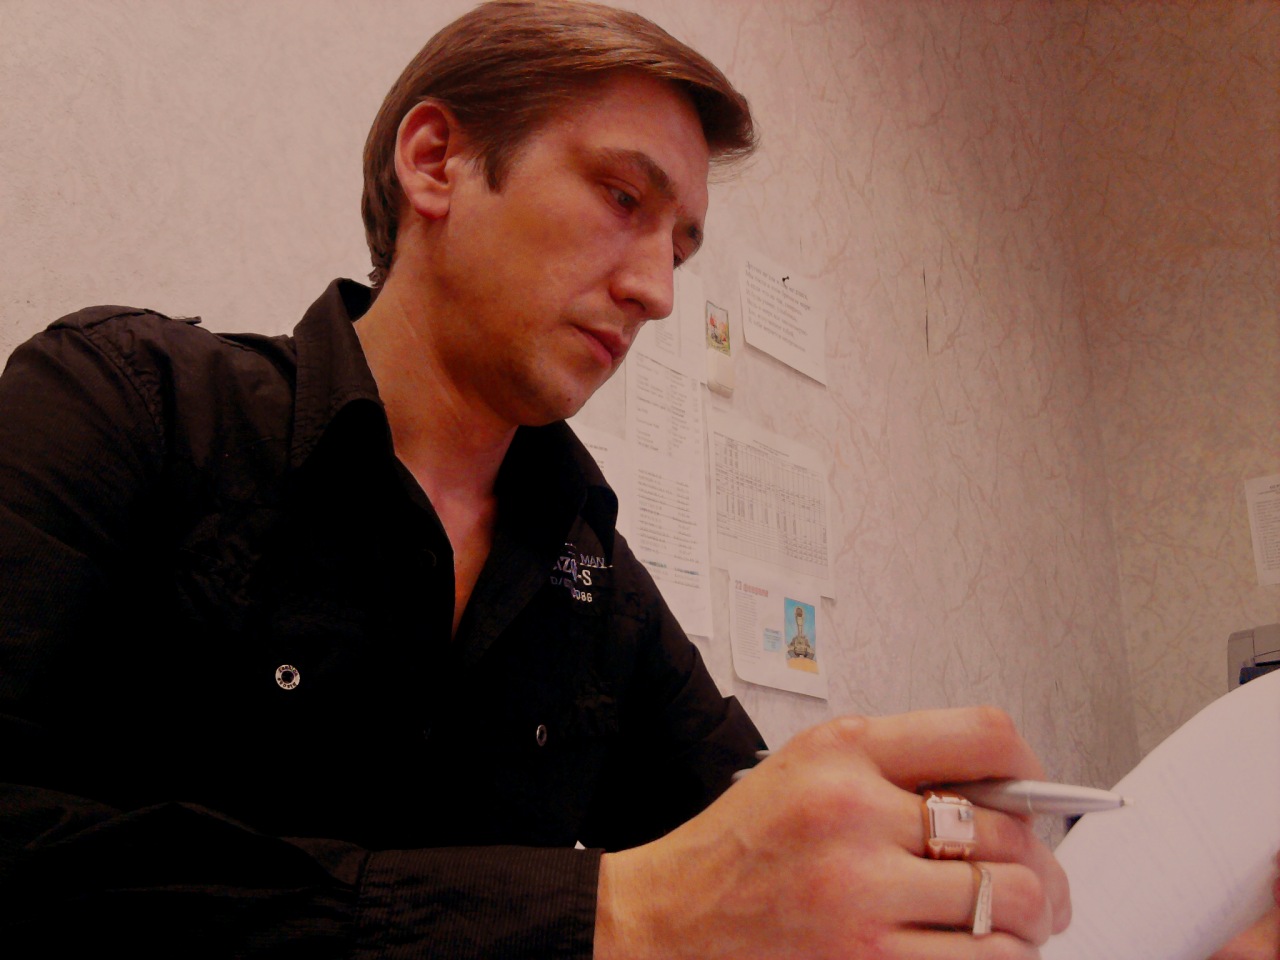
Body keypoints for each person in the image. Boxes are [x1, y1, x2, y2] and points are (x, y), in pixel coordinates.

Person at [0, 2, 1077, 957]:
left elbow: (741, 836)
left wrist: (895, 863)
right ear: (436, 162)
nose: (657, 291)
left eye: (679, 249)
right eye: (621, 196)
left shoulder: (589, 573)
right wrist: (617, 916)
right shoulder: (127, 403)